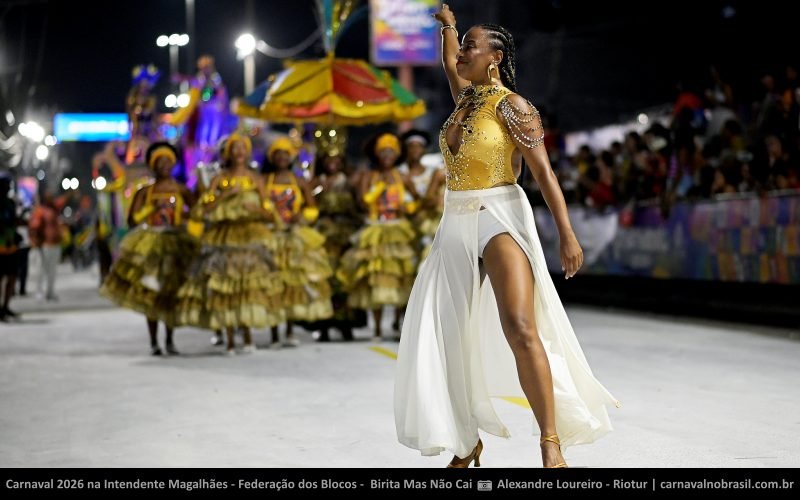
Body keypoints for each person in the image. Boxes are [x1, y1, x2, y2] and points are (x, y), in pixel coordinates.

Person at [394, 4, 619, 469]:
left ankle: (550, 441)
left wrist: (567, 234)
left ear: (494, 57)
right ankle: (466, 441)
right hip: (454, 219)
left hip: (499, 212)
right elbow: (447, 60)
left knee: (519, 326)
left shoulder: (513, 107)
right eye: (462, 48)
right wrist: (449, 27)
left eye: (470, 48)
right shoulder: (463, 100)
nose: (461, 55)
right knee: (445, 336)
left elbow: (544, 174)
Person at [176, 133, 285, 355]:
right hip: (224, 238)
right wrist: (224, 195)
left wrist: (259, 210)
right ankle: (229, 339)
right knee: (226, 286)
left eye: (242, 148)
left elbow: (269, 209)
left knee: (247, 286)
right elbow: (201, 210)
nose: (238, 153)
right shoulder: (220, 179)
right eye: (234, 148)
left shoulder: (256, 179)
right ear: (228, 153)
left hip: (250, 237)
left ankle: (247, 336)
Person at [100, 143, 198, 355]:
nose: (164, 165)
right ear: (153, 165)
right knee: (152, 293)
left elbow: (197, 211)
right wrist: (150, 209)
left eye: (167, 161)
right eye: (159, 162)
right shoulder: (145, 191)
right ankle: (154, 341)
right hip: (151, 244)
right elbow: (132, 219)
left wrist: (183, 215)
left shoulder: (181, 189)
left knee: (171, 294)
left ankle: (170, 339)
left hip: (176, 243)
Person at [263, 137, 333, 349]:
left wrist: (301, 216)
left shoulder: (299, 181)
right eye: (278, 154)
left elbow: (312, 208)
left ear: (291, 157)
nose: (282, 158)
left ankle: (290, 330)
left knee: (292, 284)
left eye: (286, 154)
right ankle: (274, 332)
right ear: (272, 158)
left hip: (294, 236)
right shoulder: (264, 180)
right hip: (271, 235)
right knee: (273, 282)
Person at [29, 191, 64, 302]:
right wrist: (35, 242)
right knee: (41, 269)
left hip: (55, 244)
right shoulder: (40, 211)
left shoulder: (54, 210)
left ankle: (50, 291)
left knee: (52, 270)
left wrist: (70, 193)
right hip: (44, 245)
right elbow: (34, 227)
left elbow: (61, 201)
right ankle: (39, 291)